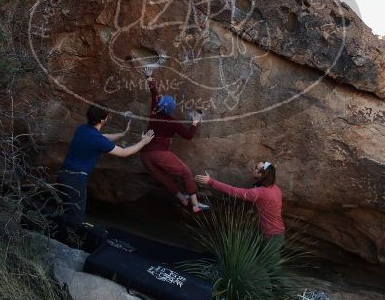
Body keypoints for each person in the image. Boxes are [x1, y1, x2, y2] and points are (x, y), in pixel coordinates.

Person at [58, 103, 154, 228]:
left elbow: (102, 137)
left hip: (62, 176)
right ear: (103, 120)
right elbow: (124, 153)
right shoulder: (97, 140)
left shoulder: (82, 129)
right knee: (76, 219)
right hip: (75, 181)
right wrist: (143, 142)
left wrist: (122, 134)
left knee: (64, 213)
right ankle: (69, 245)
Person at [140, 71, 210, 213]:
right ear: (171, 110)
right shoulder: (173, 122)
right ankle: (195, 205)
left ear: (160, 105)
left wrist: (149, 76)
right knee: (185, 172)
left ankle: (183, 199)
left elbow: (154, 92)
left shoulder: (155, 110)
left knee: (165, 179)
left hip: (144, 155)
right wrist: (195, 122)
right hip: (159, 153)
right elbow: (188, 135)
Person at [195, 161, 285, 247]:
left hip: (271, 237)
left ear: (262, 174)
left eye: (256, 168)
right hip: (274, 233)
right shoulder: (275, 188)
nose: (253, 168)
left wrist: (211, 181)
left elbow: (234, 191)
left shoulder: (259, 193)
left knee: (269, 262)